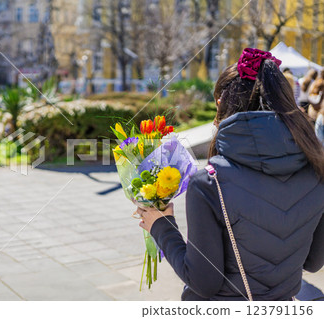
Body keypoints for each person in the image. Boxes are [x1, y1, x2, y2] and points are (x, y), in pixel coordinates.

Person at [137, 48, 324, 301]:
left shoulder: (209, 183)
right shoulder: (317, 171)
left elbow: (204, 282)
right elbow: (313, 262)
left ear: (221, 105)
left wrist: (161, 225)